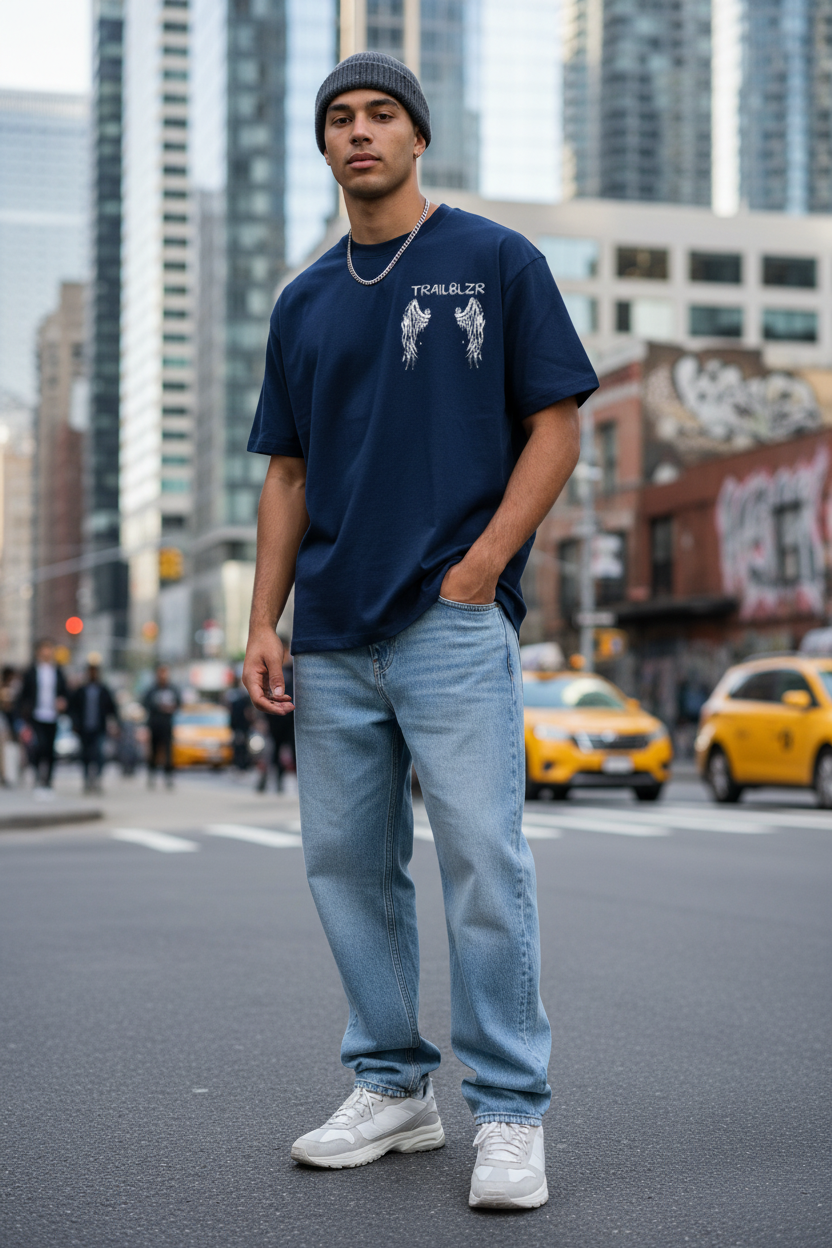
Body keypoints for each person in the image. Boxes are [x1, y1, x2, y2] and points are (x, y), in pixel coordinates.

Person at [242, 52, 597, 1211]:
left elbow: (555, 426)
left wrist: (481, 567)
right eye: (338, 118)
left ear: (417, 135)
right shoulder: (303, 301)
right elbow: (286, 476)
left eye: (379, 115)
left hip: (448, 623)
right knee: (348, 869)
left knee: (485, 864)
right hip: (333, 634)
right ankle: (393, 1089)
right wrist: (264, 621)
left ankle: (509, 1112)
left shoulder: (494, 260)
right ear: (325, 141)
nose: (358, 134)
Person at [16, 639, 68, 794]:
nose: (47, 652)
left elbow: (65, 693)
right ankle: (38, 776)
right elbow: (23, 695)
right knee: (39, 745)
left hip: (52, 716)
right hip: (36, 715)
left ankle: (49, 780)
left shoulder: (57, 672)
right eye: (44, 649)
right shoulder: (31, 672)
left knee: (51, 749)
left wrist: (62, 702)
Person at [68, 655, 119, 793]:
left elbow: (112, 709)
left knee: (99, 755)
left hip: (99, 728)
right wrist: (75, 723)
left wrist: (115, 724)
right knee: (85, 755)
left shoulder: (103, 690)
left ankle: (97, 779)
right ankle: (86, 780)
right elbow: (72, 709)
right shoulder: (81, 691)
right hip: (84, 728)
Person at [256, 649, 295, 792]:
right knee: (270, 753)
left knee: (280, 754)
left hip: (288, 722)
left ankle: (276, 782)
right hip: (274, 722)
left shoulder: (292, 672)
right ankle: (264, 781)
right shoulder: (271, 673)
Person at [143, 665, 181, 788]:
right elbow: (145, 703)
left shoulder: (172, 689)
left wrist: (171, 708)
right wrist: (159, 707)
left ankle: (168, 776)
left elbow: (179, 703)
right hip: (155, 725)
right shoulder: (152, 690)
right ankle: (152, 775)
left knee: (168, 752)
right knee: (154, 751)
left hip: (167, 725)